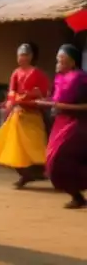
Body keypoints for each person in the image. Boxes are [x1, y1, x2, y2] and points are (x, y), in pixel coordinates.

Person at [0, 42, 51, 188]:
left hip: (32, 114)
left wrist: (30, 95)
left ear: (31, 56)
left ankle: (39, 173)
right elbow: (12, 91)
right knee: (12, 148)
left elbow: (43, 92)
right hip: (17, 114)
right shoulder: (16, 73)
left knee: (34, 149)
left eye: (25, 55)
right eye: (19, 55)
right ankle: (25, 175)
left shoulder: (38, 74)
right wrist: (13, 99)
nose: (21, 58)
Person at [35, 44, 87, 209]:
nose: (58, 62)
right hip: (60, 124)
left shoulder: (81, 79)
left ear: (73, 62)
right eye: (58, 59)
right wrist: (41, 100)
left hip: (77, 124)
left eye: (62, 60)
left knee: (59, 158)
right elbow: (55, 100)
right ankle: (76, 196)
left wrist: (62, 106)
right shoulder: (59, 79)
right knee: (52, 162)